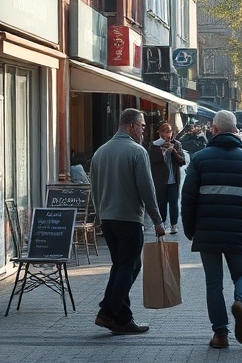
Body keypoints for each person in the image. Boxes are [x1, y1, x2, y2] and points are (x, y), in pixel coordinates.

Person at [181, 110, 242, 350]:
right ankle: (241, 301)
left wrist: (190, 229)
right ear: (235, 129)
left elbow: (188, 198)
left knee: (213, 284)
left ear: (214, 129)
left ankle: (220, 334)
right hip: (237, 228)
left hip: (207, 231)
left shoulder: (199, 159)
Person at [90, 108, 166, 335]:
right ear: (131, 125)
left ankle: (123, 319)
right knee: (128, 266)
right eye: (142, 126)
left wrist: (99, 214)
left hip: (108, 219)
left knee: (124, 265)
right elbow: (147, 189)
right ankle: (108, 310)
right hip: (129, 219)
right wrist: (157, 220)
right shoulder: (136, 151)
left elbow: (93, 187)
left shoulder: (100, 152)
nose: (144, 130)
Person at [148, 121, 186, 234]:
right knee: (161, 202)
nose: (167, 134)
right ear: (160, 133)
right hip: (160, 180)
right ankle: (163, 222)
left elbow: (182, 161)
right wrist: (162, 152)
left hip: (173, 179)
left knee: (174, 202)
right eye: (164, 131)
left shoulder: (177, 144)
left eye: (169, 131)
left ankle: (174, 224)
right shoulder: (154, 145)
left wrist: (173, 151)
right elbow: (152, 160)